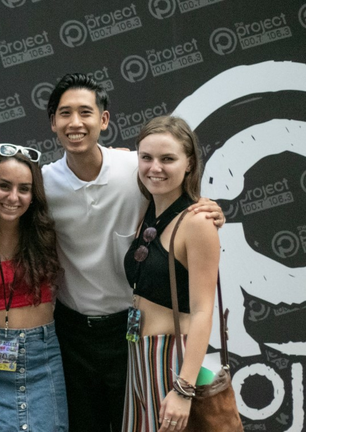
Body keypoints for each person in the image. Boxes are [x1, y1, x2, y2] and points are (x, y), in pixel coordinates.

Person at [41, 73, 225, 431]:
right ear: (53, 122)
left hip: (128, 334)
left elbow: (178, 199)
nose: (75, 123)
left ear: (104, 120)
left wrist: (208, 208)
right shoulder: (43, 182)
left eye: (85, 112)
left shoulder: (133, 169)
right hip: (73, 333)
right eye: (65, 113)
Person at [121, 116, 219, 431]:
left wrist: (184, 388)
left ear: (189, 163)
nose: (155, 167)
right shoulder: (149, 209)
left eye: (168, 159)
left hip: (172, 361)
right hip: (139, 356)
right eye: (146, 158)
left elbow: (204, 310)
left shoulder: (197, 222)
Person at [0, 144, 67, 431]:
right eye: (4, 186)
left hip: (43, 355)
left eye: (24, 189)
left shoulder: (47, 230)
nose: (13, 197)